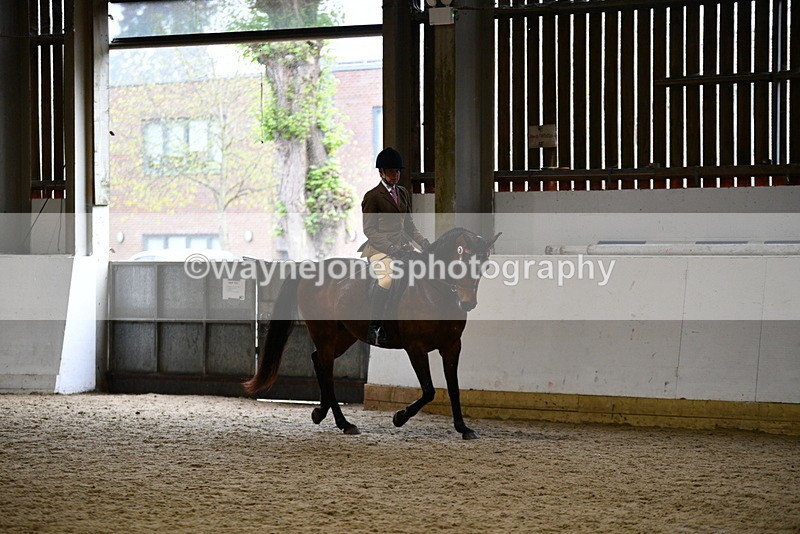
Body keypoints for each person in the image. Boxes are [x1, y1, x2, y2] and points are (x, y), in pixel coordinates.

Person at [359, 147, 430, 346]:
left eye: (397, 171)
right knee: (387, 279)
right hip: (379, 248)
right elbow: (369, 230)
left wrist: (424, 243)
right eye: (391, 171)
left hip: (402, 247)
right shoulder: (372, 196)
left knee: (424, 270)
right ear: (381, 172)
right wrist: (390, 248)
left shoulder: (403, 193)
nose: (395, 175)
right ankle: (375, 327)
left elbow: (409, 226)